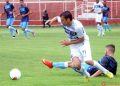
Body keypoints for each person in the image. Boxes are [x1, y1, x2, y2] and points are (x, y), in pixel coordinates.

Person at [42, 11, 113, 79]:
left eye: (63, 20)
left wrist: (68, 43)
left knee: (88, 61)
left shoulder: (77, 26)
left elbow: (81, 39)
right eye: (61, 20)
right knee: (76, 65)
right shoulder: (64, 21)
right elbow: (57, 17)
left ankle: (106, 72)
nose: (61, 22)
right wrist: (51, 21)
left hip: (83, 43)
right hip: (74, 45)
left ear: (68, 19)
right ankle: (87, 75)